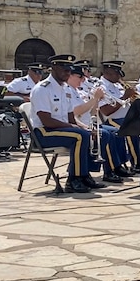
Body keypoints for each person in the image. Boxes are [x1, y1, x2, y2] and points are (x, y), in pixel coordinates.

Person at [29, 54, 102, 193]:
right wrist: (72, 127)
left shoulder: (66, 89)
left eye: (69, 70)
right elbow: (46, 120)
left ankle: (84, 175)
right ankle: (74, 179)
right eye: (64, 70)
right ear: (54, 68)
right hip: (43, 132)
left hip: (60, 129)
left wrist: (85, 127)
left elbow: (70, 117)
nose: (68, 73)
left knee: (87, 133)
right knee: (80, 136)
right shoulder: (42, 89)